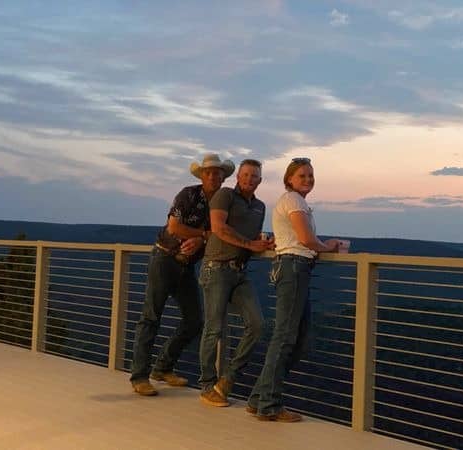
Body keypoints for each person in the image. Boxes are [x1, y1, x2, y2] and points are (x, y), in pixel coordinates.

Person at [130, 154, 235, 396]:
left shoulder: (222, 203)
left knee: (194, 320)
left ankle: (162, 367)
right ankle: (139, 377)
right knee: (151, 317)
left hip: (186, 266)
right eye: (208, 172)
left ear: (222, 177)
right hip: (164, 259)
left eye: (217, 172)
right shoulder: (188, 194)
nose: (213, 176)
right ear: (202, 175)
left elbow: (224, 231)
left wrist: (202, 239)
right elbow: (174, 227)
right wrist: (203, 236)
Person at [247, 157, 340, 421]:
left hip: (296, 268)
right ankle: (269, 405)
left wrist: (318, 246)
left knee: (297, 339)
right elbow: (305, 239)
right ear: (289, 179)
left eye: (311, 175)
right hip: (293, 268)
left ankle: (258, 398)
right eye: (302, 176)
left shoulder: (297, 202)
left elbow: (300, 239)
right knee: (286, 338)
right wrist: (329, 246)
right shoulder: (293, 201)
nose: (308, 180)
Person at [198, 158, 274, 407]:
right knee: (214, 329)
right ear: (238, 177)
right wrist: (250, 244)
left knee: (258, 324)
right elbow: (218, 228)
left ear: (260, 181)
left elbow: (251, 239)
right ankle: (208, 385)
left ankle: (227, 380)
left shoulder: (261, 207)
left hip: (240, 272)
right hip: (217, 268)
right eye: (246, 175)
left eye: (255, 176)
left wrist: (264, 245)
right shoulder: (224, 195)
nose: (249, 179)